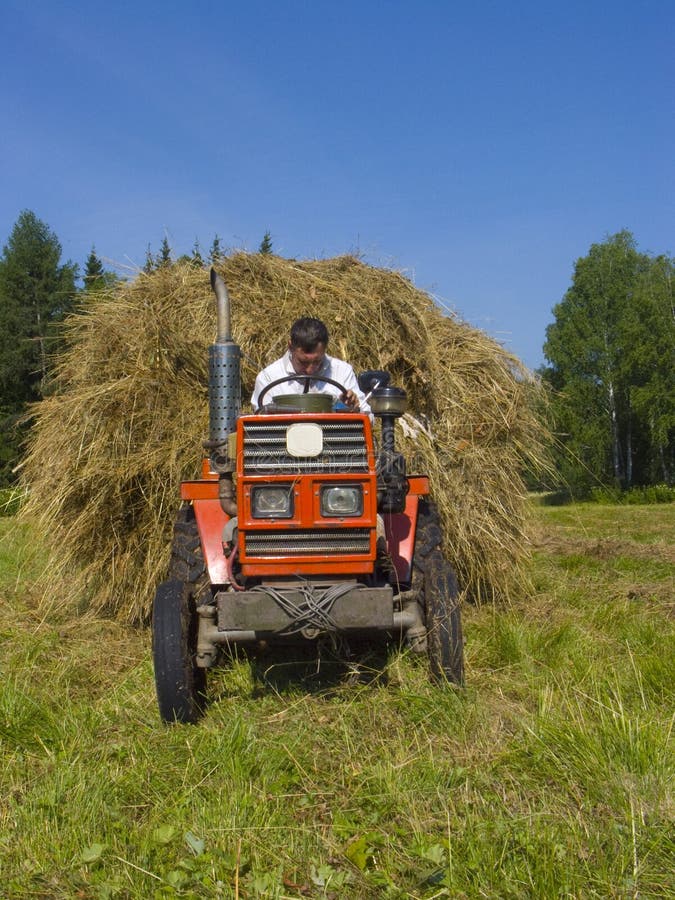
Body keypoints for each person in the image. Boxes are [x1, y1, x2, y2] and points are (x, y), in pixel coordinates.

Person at [251, 317, 371, 415]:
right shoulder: (268, 378)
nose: (310, 370)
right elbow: (260, 423)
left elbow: (369, 417)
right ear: (290, 347)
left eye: (317, 361)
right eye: (303, 362)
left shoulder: (342, 371)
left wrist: (354, 408)